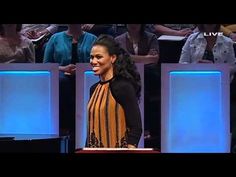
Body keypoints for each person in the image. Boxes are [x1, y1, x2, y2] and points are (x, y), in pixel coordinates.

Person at [44, 24, 97, 152]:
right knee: (63, 82)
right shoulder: (55, 38)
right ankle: (66, 128)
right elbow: (47, 64)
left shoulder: (93, 39)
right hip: (62, 76)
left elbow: (99, 61)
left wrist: (81, 69)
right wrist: (63, 68)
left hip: (87, 75)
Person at [87, 34, 142, 148]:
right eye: (92, 57)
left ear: (112, 58)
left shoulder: (123, 87)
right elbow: (91, 128)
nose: (93, 61)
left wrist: (131, 147)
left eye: (99, 57)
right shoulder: (93, 89)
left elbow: (136, 127)